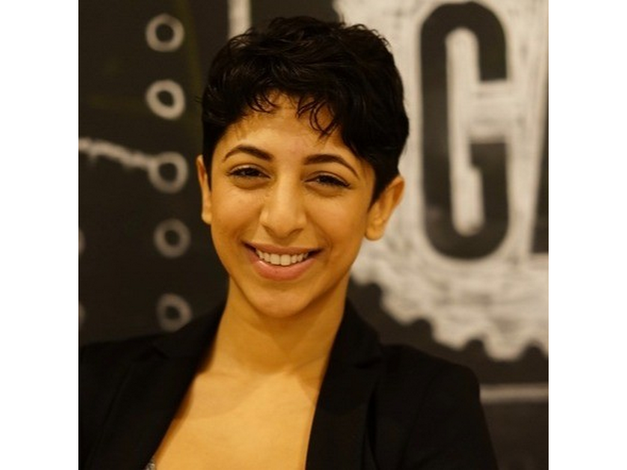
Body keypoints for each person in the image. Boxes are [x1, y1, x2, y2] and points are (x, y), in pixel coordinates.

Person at [80, 16, 498, 470]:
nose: (281, 220)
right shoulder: (89, 391)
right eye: (249, 172)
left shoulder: (428, 412)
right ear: (207, 189)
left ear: (380, 205)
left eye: (326, 179)